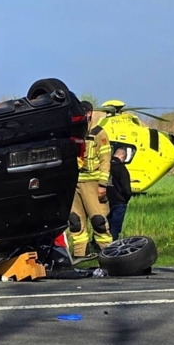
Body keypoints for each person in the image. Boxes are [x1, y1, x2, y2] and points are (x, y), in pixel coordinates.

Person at [69, 101, 113, 257]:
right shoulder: (73, 133)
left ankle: (107, 253)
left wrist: (102, 185)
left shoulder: (99, 133)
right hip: (74, 183)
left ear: (90, 113)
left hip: (93, 183)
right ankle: (80, 255)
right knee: (75, 222)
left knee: (98, 221)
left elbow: (105, 160)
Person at [107, 146, 132, 240]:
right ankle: (112, 246)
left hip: (105, 200)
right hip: (119, 202)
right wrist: (125, 199)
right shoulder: (122, 169)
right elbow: (126, 189)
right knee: (115, 227)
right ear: (123, 155)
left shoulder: (106, 166)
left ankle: (98, 245)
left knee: (104, 225)